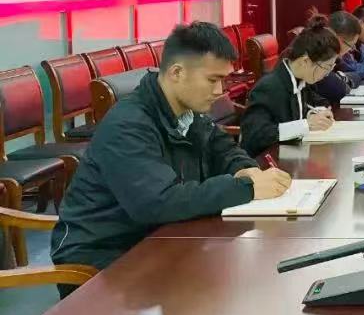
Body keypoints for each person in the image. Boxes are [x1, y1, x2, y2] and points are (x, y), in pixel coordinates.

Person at [51, 22, 292, 275]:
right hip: (103, 258)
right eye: (212, 80)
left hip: (159, 238)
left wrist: (246, 170)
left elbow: (223, 149)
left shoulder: (189, 113)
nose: (219, 91)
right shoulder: (128, 125)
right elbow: (158, 202)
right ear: (177, 72)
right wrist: (246, 188)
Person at [240, 14, 339, 156]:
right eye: (326, 67)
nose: (327, 74)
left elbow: (303, 109)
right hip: (267, 162)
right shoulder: (268, 88)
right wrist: (306, 124)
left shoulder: (301, 80)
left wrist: (314, 113)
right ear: (305, 61)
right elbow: (255, 136)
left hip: (291, 156)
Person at [310, 10, 364, 104]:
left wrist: (341, 77)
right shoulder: (318, 54)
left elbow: (355, 75)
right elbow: (339, 90)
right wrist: (343, 78)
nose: (351, 50)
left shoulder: (332, 56)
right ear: (339, 40)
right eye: (351, 45)